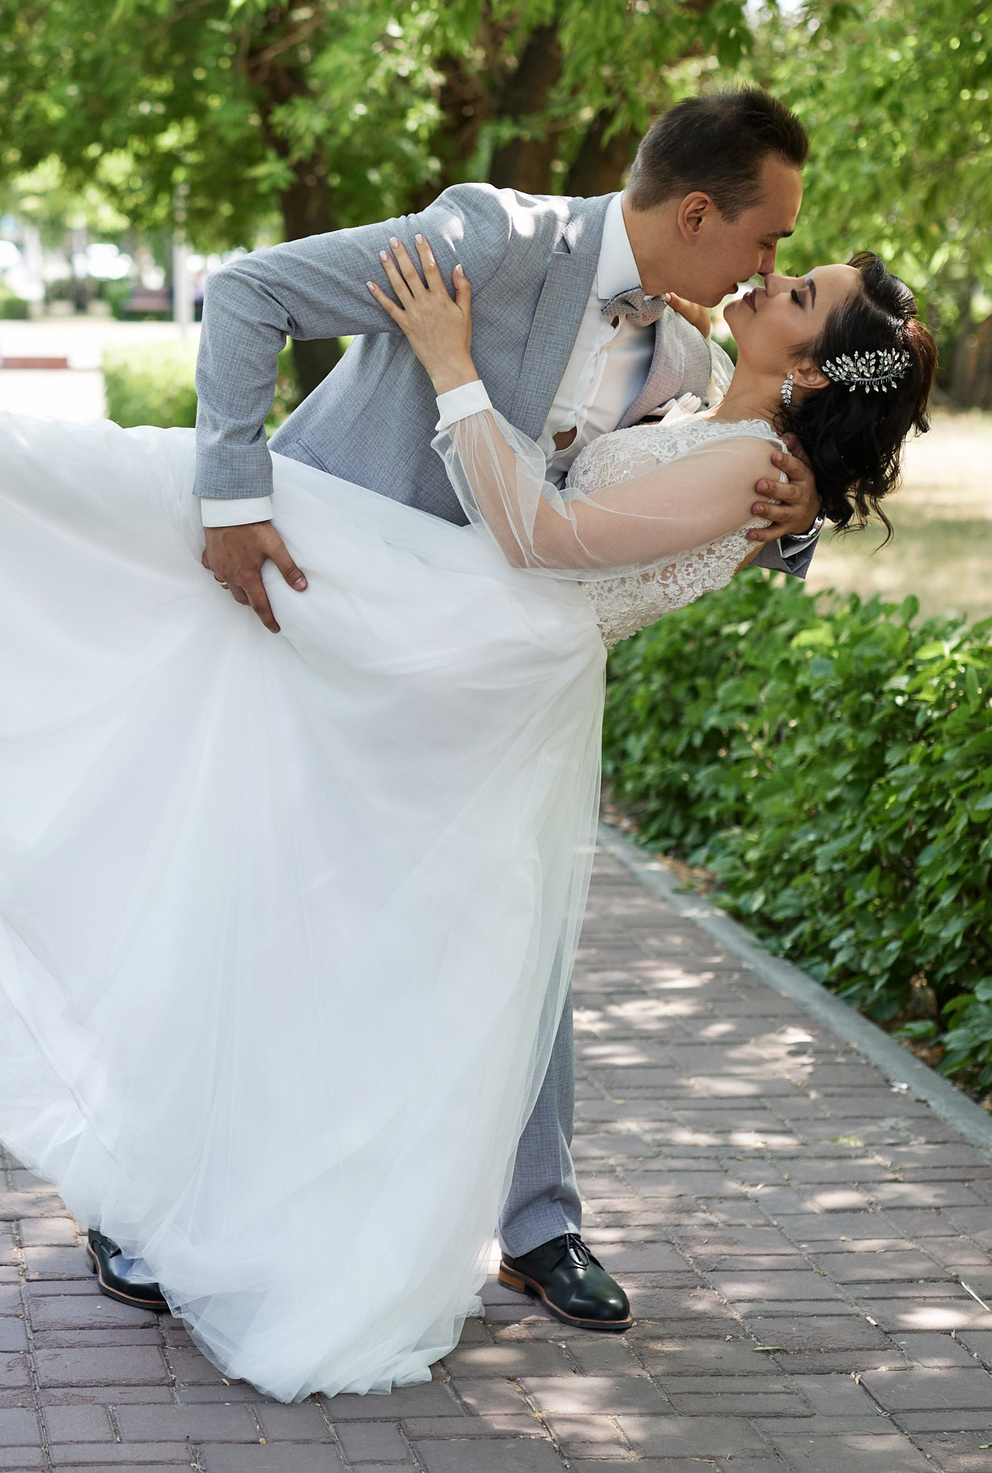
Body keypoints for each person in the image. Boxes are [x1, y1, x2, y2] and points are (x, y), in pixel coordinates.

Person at [0, 199, 934, 1401]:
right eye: (777, 255)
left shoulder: (756, 464)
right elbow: (689, 464)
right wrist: (798, 507)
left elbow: (544, 529)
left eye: (797, 293)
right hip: (469, 620)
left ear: (807, 366)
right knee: (171, 500)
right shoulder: (702, 383)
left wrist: (446, 362)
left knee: (166, 496)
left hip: (466, 627)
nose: (770, 274)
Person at [173, 88, 826, 1331]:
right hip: (328, 620)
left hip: (494, 675)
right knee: (277, 909)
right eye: (768, 240)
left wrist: (790, 527)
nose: (770, 262)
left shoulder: (682, 352)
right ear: (697, 213)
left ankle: (539, 1225)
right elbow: (250, 290)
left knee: (517, 927)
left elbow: (684, 493)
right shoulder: (492, 238)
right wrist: (231, 496)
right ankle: (161, 1197)